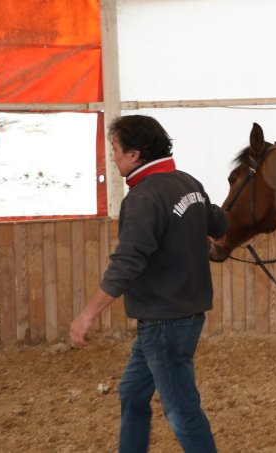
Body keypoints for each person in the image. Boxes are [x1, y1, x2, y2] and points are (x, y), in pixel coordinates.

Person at [70, 115, 227, 453]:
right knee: (132, 392)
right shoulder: (187, 182)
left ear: (134, 154)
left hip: (163, 320)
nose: (113, 157)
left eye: (115, 149)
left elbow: (127, 262)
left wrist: (88, 314)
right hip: (183, 315)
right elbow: (219, 223)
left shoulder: (143, 198)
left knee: (181, 411)